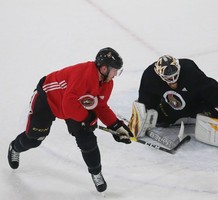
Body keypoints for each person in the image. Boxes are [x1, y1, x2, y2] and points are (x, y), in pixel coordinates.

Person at [7, 47, 134, 193]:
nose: (116, 74)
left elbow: (101, 106)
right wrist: (87, 118)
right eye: (115, 70)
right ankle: (14, 147)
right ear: (104, 69)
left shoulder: (107, 83)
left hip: (75, 104)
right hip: (48, 100)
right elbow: (68, 107)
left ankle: (96, 173)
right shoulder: (83, 76)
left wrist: (116, 125)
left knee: (87, 139)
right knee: (35, 138)